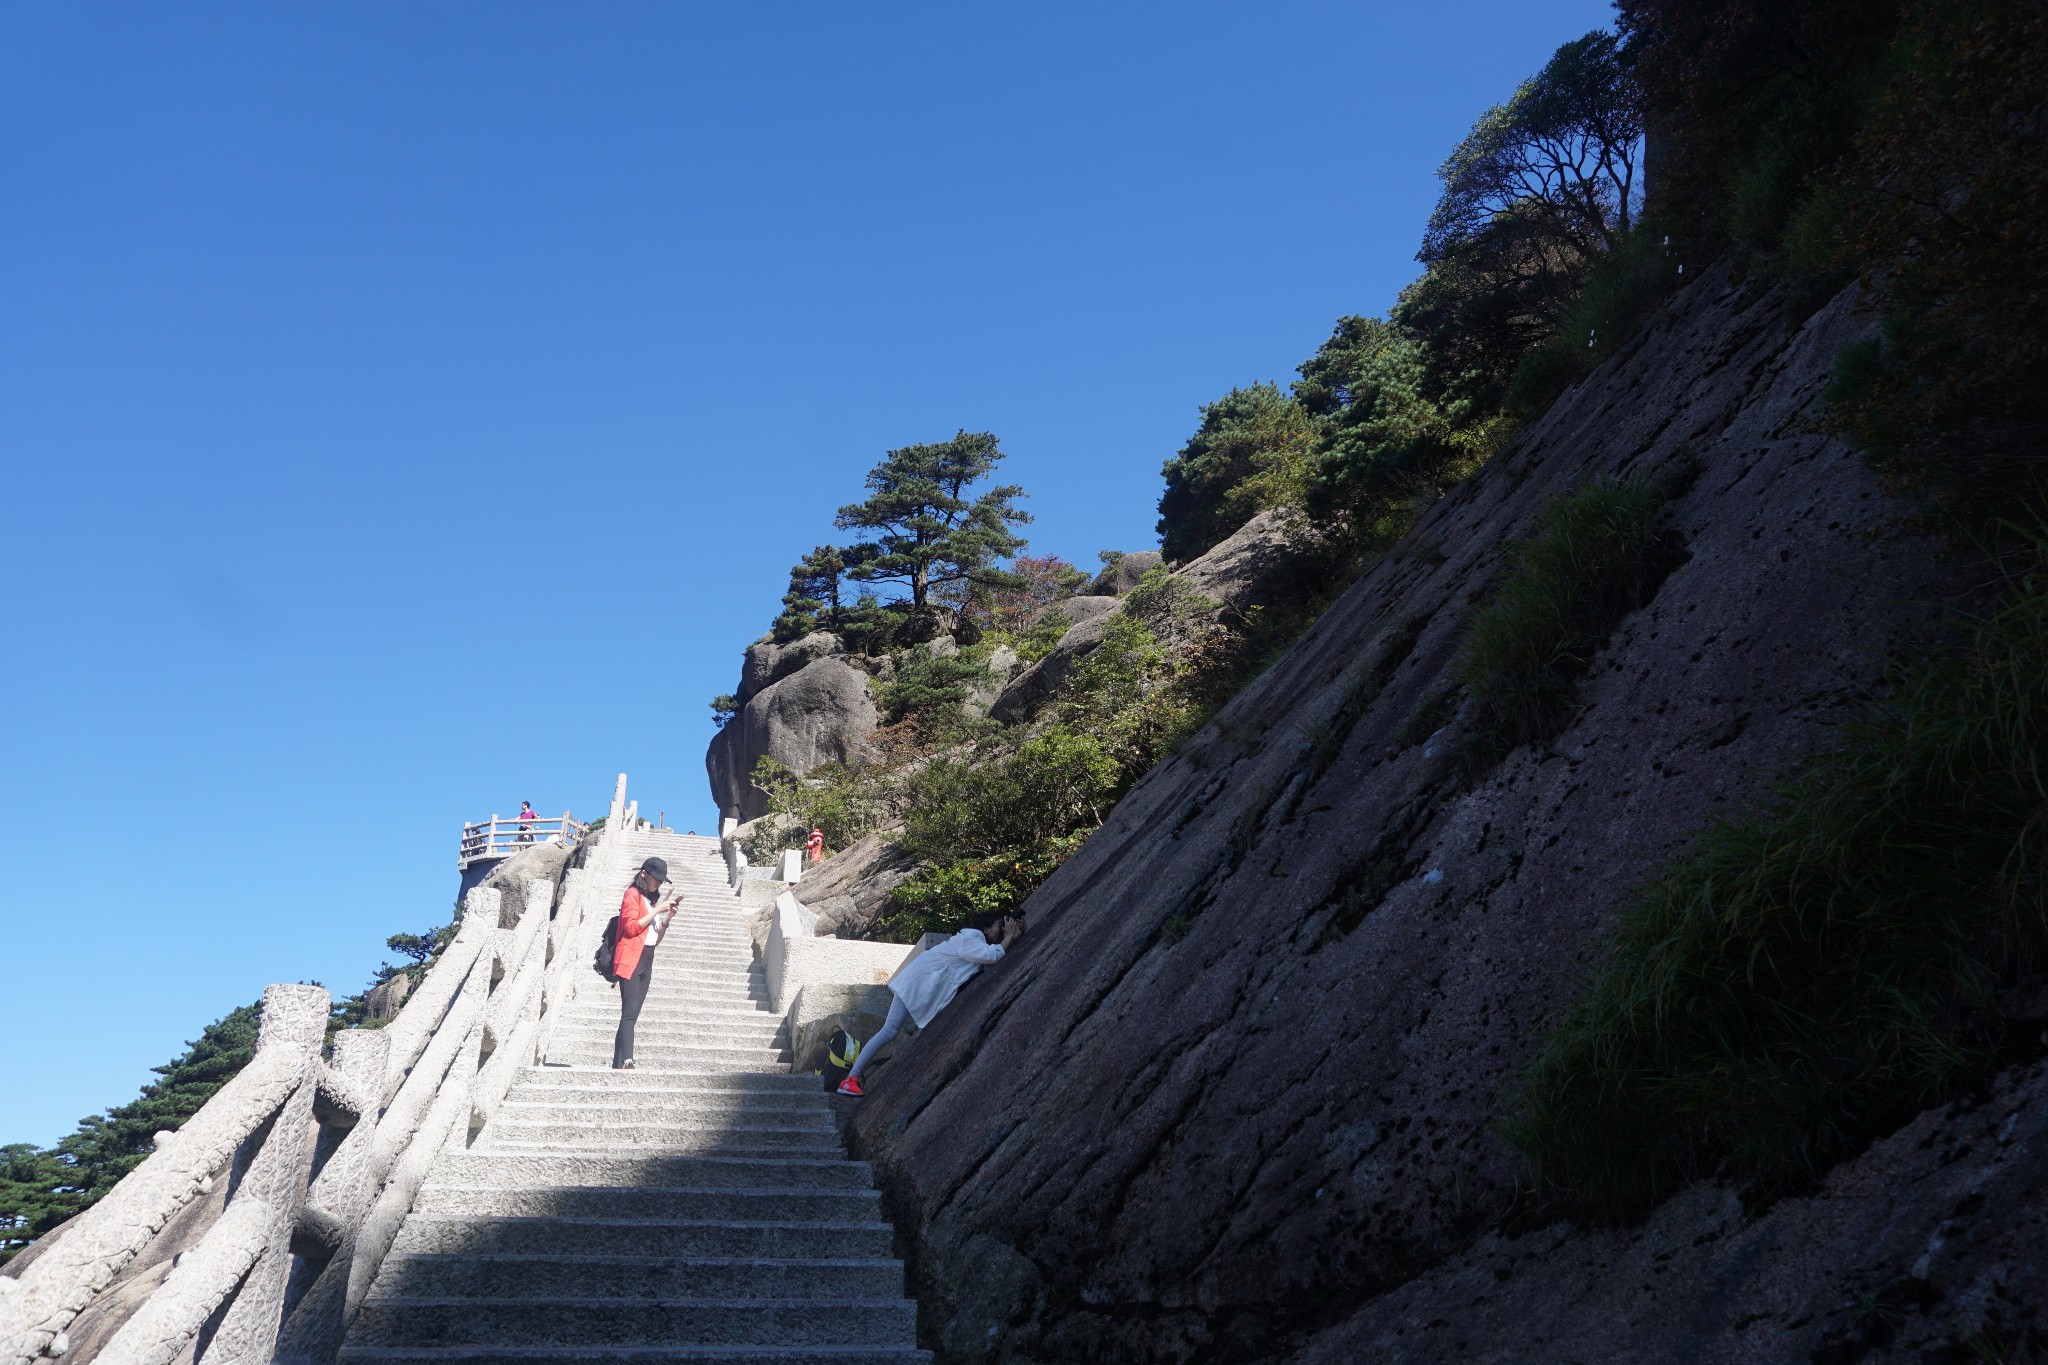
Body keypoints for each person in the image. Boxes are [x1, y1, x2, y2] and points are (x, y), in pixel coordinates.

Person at [836, 913, 1021, 1097]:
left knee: (889, 1030)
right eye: (999, 925)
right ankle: (850, 1079)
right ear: (986, 929)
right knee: (889, 1030)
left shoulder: (971, 940)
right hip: (917, 983)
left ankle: (850, 1079)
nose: (1002, 929)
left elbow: (987, 961)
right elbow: (991, 956)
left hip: (917, 981)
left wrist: (1011, 937)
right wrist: (1010, 936)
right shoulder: (971, 937)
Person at [611, 856, 676, 1070]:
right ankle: (627, 1060)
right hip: (631, 957)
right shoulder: (633, 894)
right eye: (656, 878)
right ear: (644, 873)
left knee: (632, 1013)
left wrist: (666, 918)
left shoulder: (650, 900)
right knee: (629, 1012)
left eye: (661, 879)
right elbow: (630, 928)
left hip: (647, 957)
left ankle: (619, 1062)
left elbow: (654, 940)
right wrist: (656, 911)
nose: (658, 882)